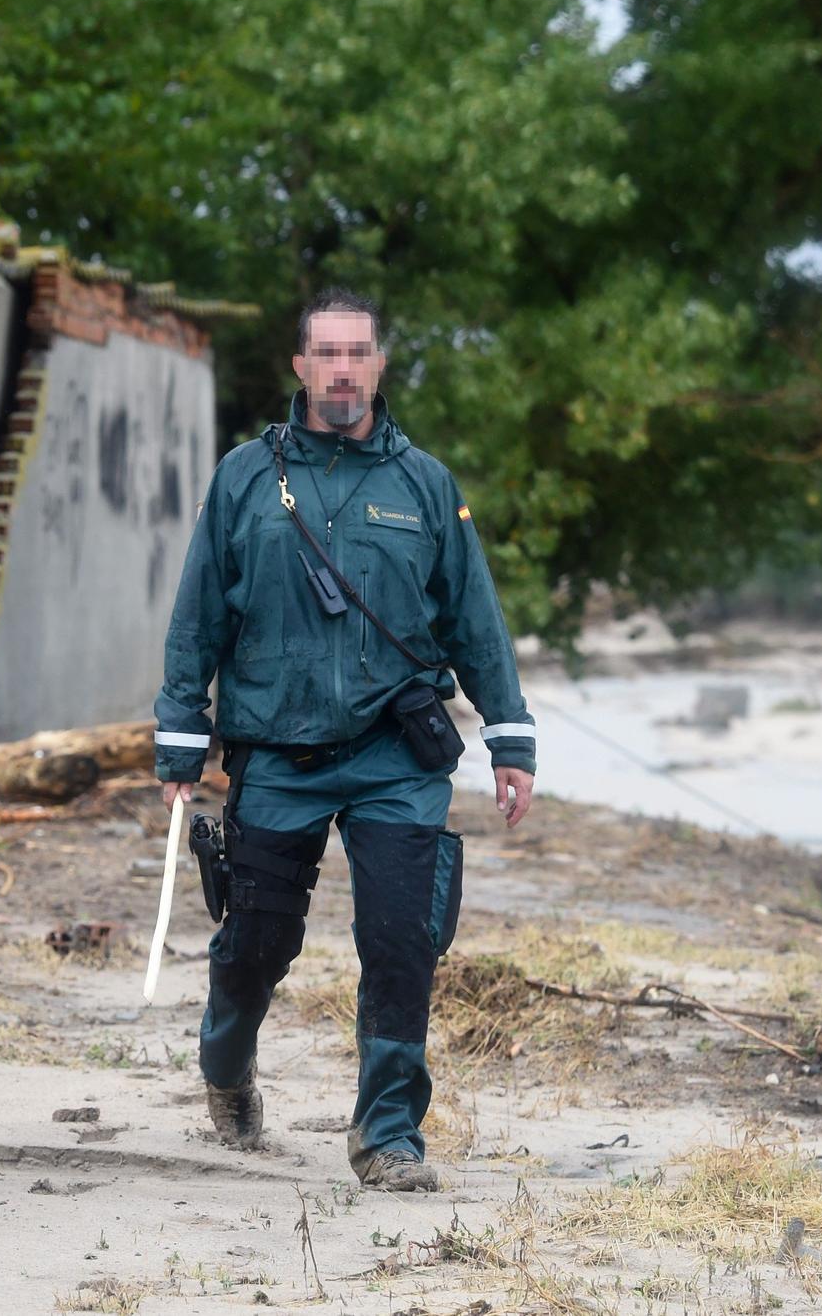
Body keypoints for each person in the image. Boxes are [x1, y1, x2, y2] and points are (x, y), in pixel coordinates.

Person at [152, 286, 537, 1191]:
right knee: (256, 944)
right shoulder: (247, 476)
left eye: (357, 352)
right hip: (276, 754)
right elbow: (198, 612)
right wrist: (180, 742)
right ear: (299, 366)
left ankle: (387, 1134)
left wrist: (511, 742)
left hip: (395, 757)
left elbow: (476, 621)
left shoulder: (426, 485)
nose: (341, 368)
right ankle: (225, 1063)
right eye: (325, 352)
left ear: (378, 365)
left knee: (403, 940)